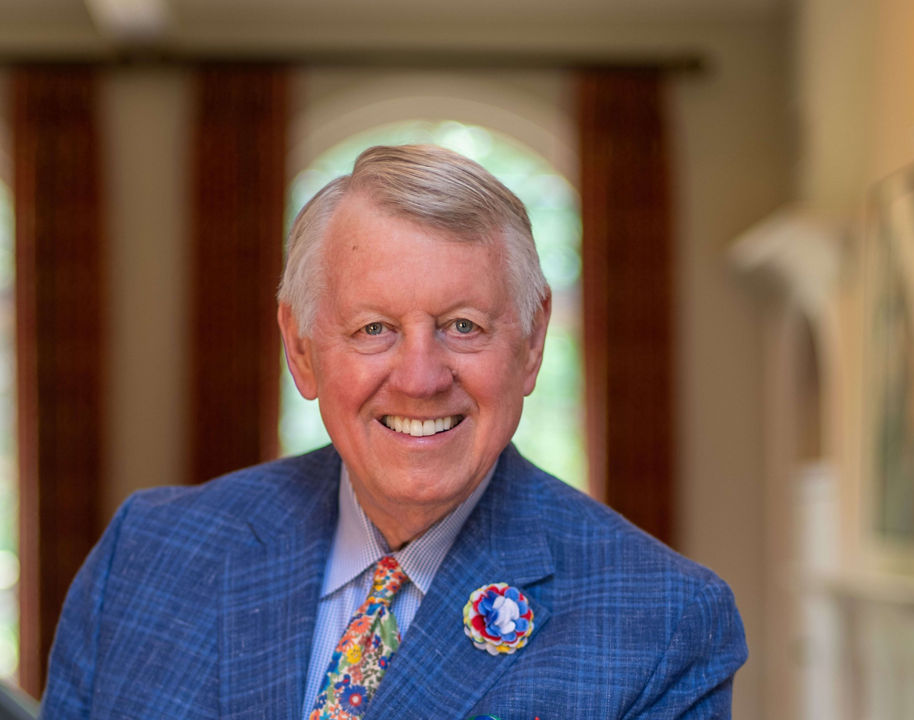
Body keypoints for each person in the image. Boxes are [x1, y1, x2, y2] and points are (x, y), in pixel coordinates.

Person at [40, 144, 747, 719]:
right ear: (302, 349)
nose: (419, 377)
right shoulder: (147, 556)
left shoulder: (662, 623)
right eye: (374, 328)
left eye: (462, 326)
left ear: (532, 345)